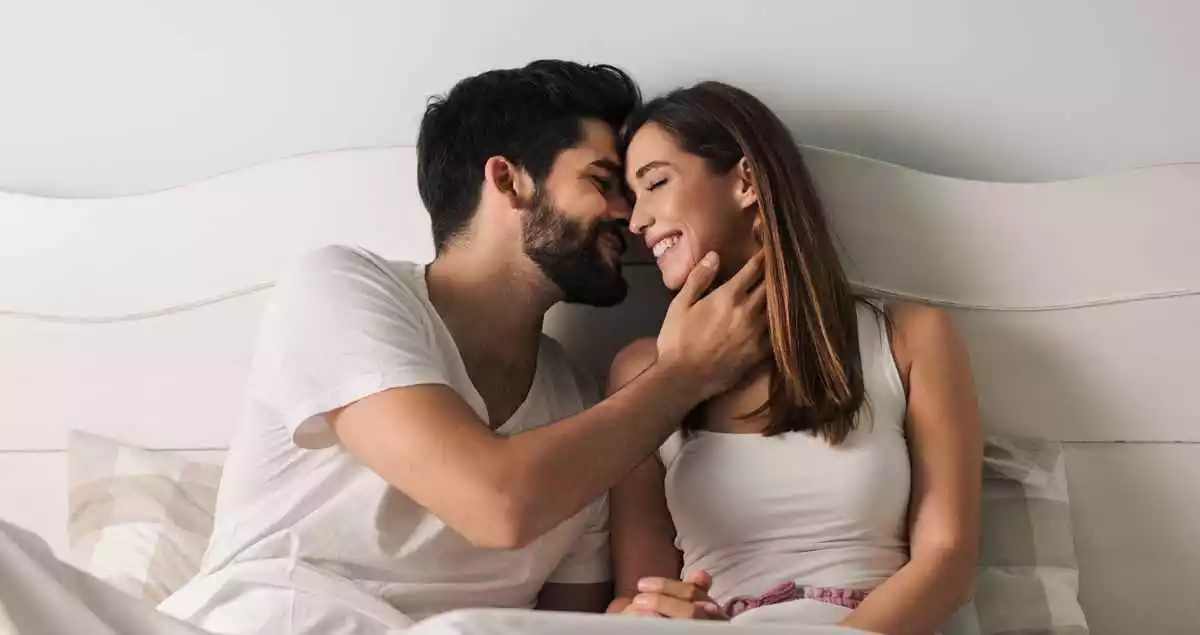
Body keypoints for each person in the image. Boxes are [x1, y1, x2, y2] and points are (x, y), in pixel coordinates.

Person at [157, 62, 770, 634]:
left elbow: (564, 622)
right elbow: (496, 503)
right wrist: (686, 373)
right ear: (508, 179)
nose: (629, 216)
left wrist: (637, 616)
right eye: (603, 183)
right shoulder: (341, 288)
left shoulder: (584, 416)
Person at [605, 82, 983, 635]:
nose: (636, 221)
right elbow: (634, 598)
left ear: (746, 180)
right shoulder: (640, 373)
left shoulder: (908, 338)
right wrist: (650, 612)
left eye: (655, 183)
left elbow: (947, 561)